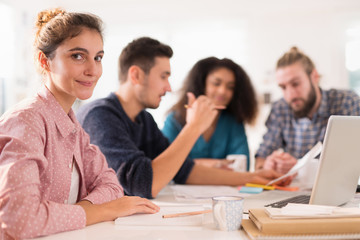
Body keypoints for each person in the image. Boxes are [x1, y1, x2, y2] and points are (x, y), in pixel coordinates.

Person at [0, 9, 158, 240]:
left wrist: (87, 210)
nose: (93, 70)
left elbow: (112, 186)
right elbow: (19, 219)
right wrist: (102, 211)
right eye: (77, 56)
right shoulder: (27, 120)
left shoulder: (71, 125)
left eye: (98, 57)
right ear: (45, 61)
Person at [77, 37, 286, 199]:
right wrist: (194, 126)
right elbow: (143, 184)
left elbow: (184, 171)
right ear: (136, 75)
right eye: (163, 76)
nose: (168, 87)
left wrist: (251, 178)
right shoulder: (100, 116)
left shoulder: (144, 120)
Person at [255, 46, 360, 174]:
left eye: (295, 84)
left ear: (314, 77)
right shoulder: (280, 108)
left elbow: (352, 162)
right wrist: (268, 165)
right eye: (283, 87)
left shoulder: (346, 102)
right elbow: (260, 161)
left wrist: (300, 167)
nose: (290, 95)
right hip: (295, 191)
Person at [162, 57, 257, 170]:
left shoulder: (233, 122)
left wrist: (192, 164)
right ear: (202, 84)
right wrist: (218, 164)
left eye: (230, 87)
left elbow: (241, 166)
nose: (223, 91)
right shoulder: (175, 119)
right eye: (216, 83)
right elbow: (165, 164)